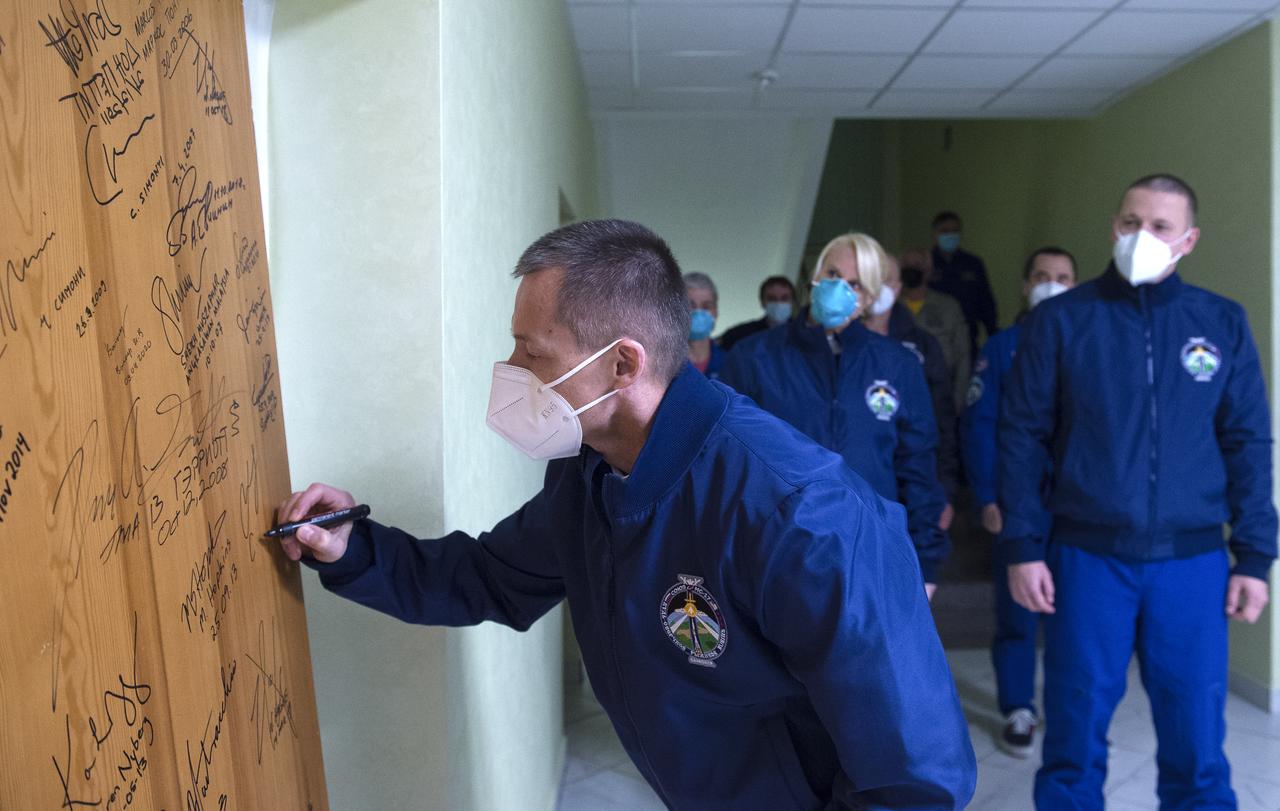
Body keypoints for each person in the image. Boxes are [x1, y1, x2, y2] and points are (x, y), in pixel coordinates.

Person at [277, 219, 977, 809]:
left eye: (533, 350)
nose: (512, 369)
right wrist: (353, 547)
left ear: (622, 365)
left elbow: (915, 776)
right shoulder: (592, 472)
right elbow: (486, 575)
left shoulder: (799, 512)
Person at [999, 175, 1276, 808]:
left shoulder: (1220, 322)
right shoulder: (1062, 321)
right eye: (1130, 222)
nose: (1140, 237)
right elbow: (1021, 438)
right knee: (1073, 734)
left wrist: (1255, 556)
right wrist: (1022, 544)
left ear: (1189, 239)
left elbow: (1248, 444)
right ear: (1113, 225)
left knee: (1198, 741)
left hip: (1192, 560)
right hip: (1087, 558)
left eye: (1159, 227)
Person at [721, 232, 951, 599]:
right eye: (831, 274)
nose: (838, 287)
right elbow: (723, 464)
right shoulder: (754, 358)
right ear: (814, 277)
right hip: (775, 555)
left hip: (871, 554)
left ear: (870, 299)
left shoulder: (897, 365)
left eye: (855, 283)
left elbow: (918, 467)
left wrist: (925, 562)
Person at [961, 246, 1076, 759]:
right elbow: (981, 427)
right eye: (1043, 276)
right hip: (1019, 505)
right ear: (1026, 284)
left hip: (1082, 510)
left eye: (1064, 277)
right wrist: (988, 496)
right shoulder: (1004, 348)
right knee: (1018, 612)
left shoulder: (1091, 344)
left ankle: (1074, 711)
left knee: (1081, 616)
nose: (1052, 284)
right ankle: (1018, 709)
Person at [865, 254, 960, 513]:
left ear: (897, 287)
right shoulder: (837, 344)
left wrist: (945, 489)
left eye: (887, 280)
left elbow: (942, 418)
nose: (879, 286)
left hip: (912, 483)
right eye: (873, 278)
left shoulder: (923, 345)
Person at [899, 247, 971, 414]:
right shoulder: (890, 307)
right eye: (906, 265)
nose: (911, 269)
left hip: (939, 399)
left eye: (917, 264)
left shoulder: (948, 307)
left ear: (928, 270)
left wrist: (957, 403)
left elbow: (963, 358)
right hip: (899, 397)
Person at [929, 211, 998, 363]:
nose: (950, 235)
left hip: (967, 335)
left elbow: (986, 301)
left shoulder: (972, 264)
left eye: (955, 231)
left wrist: (993, 334)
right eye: (945, 231)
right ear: (935, 234)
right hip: (933, 335)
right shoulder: (926, 264)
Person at [719, 275, 796, 351]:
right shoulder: (741, 334)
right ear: (762, 302)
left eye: (784, 298)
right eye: (771, 299)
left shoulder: (802, 335)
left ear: (792, 301)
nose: (778, 303)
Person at [684, 271, 726, 379]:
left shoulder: (729, 362)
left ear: (715, 312)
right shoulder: (664, 362)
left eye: (706, 306)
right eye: (690, 306)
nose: (698, 312)